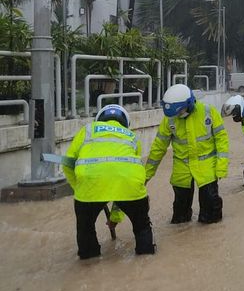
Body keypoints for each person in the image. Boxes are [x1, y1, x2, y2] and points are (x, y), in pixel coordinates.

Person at [62, 104, 155, 259]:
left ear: (100, 119)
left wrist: (79, 187)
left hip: (89, 186)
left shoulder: (88, 130)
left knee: (86, 229)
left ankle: (88, 259)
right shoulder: (131, 136)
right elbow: (122, 186)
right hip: (130, 184)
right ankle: (146, 256)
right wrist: (115, 219)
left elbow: (67, 163)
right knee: (142, 226)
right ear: (125, 122)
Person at [146, 84, 229, 224]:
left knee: (210, 214)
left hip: (206, 166)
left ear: (190, 104)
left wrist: (221, 167)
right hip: (181, 169)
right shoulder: (170, 118)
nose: (178, 115)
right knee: (180, 216)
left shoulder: (208, 112)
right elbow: (158, 148)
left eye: (181, 111)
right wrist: (146, 175)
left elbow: (222, 140)